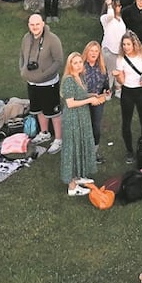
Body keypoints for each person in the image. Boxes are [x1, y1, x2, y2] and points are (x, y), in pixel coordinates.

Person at [19, 14, 64, 154]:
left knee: (53, 112)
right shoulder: (26, 38)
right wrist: (23, 70)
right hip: (32, 82)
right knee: (38, 109)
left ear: (43, 24)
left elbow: (58, 61)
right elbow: (22, 56)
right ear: (28, 25)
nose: (35, 27)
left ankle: (58, 139)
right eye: (32, 25)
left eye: (37, 24)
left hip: (48, 83)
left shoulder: (53, 40)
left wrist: (44, 75)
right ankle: (44, 132)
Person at [59, 52, 102, 196]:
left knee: (80, 145)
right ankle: (72, 187)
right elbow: (70, 103)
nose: (78, 65)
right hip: (72, 119)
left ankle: (78, 177)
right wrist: (90, 101)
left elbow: (81, 96)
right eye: (75, 62)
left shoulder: (80, 77)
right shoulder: (69, 80)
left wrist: (92, 95)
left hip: (82, 117)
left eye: (80, 62)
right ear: (70, 65)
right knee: (72, 149)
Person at [113, 31, 142, 165]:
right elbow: (122, 81)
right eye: (124, 44)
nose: (126, 47)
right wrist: (117, 76)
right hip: (128, 92)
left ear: (134, 44)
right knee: (126, 123)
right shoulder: (120, 59)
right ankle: (130, 151)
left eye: (128, 44)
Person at [81, 40, 110, 164]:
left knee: (96, 126)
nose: (93, 53)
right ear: (86, 52)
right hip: (83, 100)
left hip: (98, 101)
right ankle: (82, 153)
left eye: (96, 51)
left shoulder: (102, 67)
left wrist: (107, 92)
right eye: (91, 51)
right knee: (83, 126)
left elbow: (106, 85)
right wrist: (88, 96)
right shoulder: (80, 67)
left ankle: (94, 152)